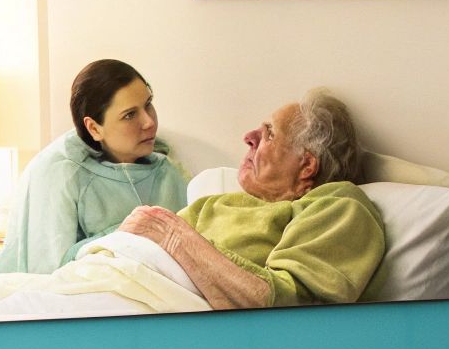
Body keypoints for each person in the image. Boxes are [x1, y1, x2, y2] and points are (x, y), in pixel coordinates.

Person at [119, 89, 385, 309]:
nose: (248, 138)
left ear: (306, 165)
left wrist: (175, 237)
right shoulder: (211, 204)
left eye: (269, 133)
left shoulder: (340, 205)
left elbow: (292, 308)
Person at [0, 59, 187, 275]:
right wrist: (121, 235)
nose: (149, 122)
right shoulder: (60, 173)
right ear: (94, 128)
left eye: (148, 104)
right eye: (129, 115)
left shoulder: (168, 171)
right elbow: (48, 272)